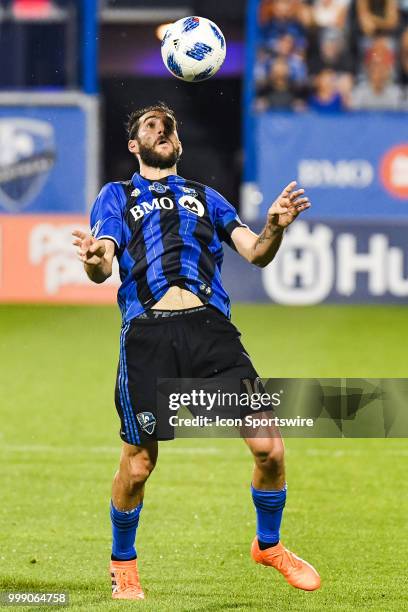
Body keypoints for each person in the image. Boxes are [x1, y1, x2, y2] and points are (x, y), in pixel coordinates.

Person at [72, 102, 321, 601]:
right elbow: (102, 261)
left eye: (169, 126)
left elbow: (255, 252)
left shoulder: (206, 197)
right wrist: (97, 262)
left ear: (178, 143)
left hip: (212, 331)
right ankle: (123, 563)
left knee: (270, 449)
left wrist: (274, 227)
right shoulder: (117, 195)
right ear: (134, 145)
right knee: (139, 464)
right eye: (150, 125)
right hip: (148, 332)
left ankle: (268, 545)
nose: (162, 130)